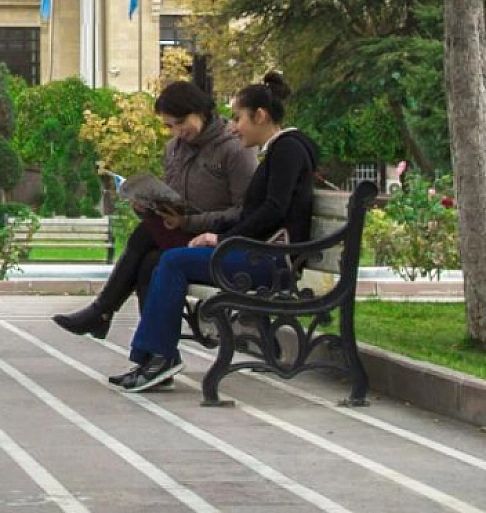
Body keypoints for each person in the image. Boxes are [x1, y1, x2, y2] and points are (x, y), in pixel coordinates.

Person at [111, 72, 318, 392]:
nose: (234, 127)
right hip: (260, 254)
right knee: (164, 258)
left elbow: (273, 211)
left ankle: (159, 358)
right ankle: (153, 357)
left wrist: (221, 239)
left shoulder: (288, 149)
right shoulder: (279, 151)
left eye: (238, 118)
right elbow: (259, 213)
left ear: (260, 116)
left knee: (173, 261)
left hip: (273, 262)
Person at [53, 80, 255, 340]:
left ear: (200, 112)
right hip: (182, 232)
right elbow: (172, 197)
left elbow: (245, 212)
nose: (178, 131)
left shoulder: (234, 147)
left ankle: (103, 313)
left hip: (217, 239)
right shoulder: (174, 149)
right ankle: (153, 352)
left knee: (146, 239)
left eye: (181, 122)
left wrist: (189, 221)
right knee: (150, 260)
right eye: (170, 126)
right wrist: (148, 206)